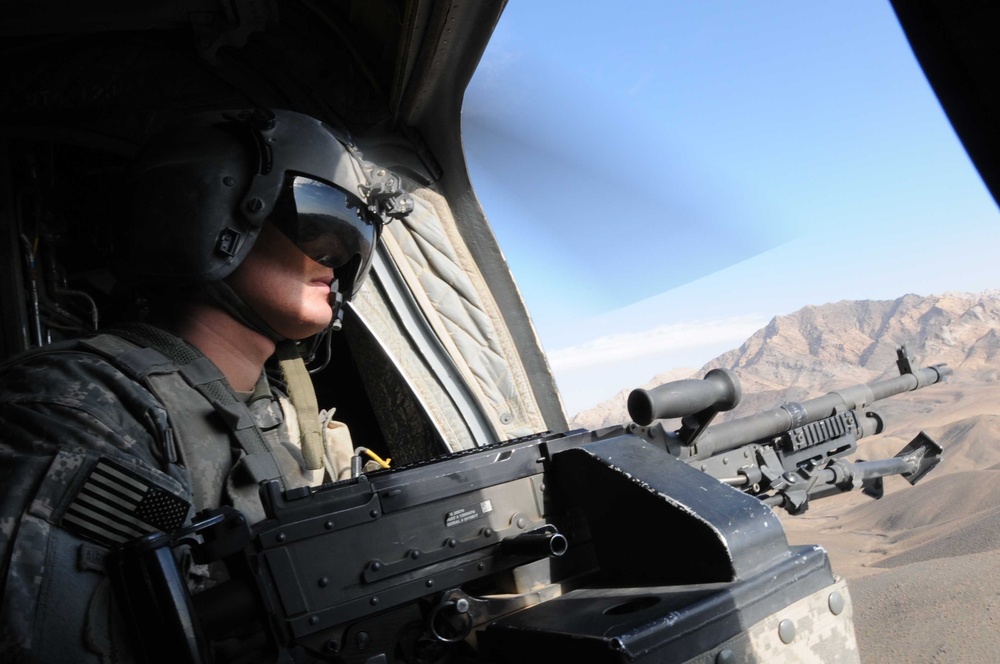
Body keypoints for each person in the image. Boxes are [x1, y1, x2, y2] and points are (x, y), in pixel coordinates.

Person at [0, 108, 413, 662]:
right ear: (209, 213)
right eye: (316, 226)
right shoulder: (82, 404)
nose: (338, 258)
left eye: (352, 241)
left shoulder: (292, 421)